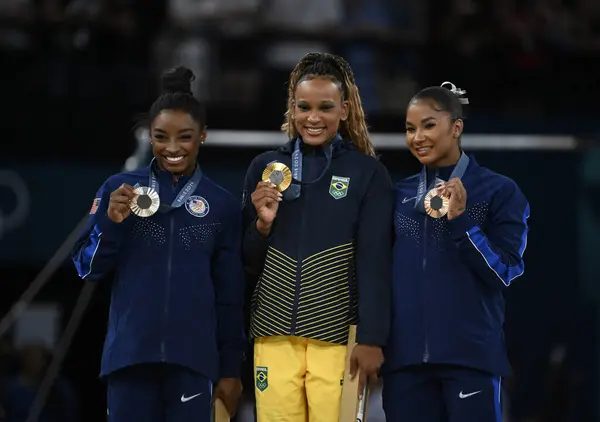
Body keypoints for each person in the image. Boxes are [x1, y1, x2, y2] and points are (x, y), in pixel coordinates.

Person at [71, 66, 245, 422]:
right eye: (161, 136)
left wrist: (230, 367)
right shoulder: (119, 189)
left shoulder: (221, 204)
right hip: (129, 358)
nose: (172, 148)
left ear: (203, 136)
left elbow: (230, 296)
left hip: (193, 362)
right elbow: (86, 268)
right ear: (149, 136)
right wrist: (110, 223)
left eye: (184, 137)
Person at [241, 52, 393, 422]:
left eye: (325, 107)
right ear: (292, 109)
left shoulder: (367, 173)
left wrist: (372, 338)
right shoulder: (265, 168)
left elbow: (375, 260)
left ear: (343, 109)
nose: (313, 117)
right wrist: (261, 226)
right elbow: (245, 260)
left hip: (337, 335)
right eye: (304, 107)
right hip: (273, 333)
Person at [382, 81, 530, 422]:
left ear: (456, 127)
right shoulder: (399, 194)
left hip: (470, 359)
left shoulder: (499, 191)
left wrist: (463, 222)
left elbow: (504, 271)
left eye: (429, 125)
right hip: (405, 364)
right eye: (410, 128)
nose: (418, 137)